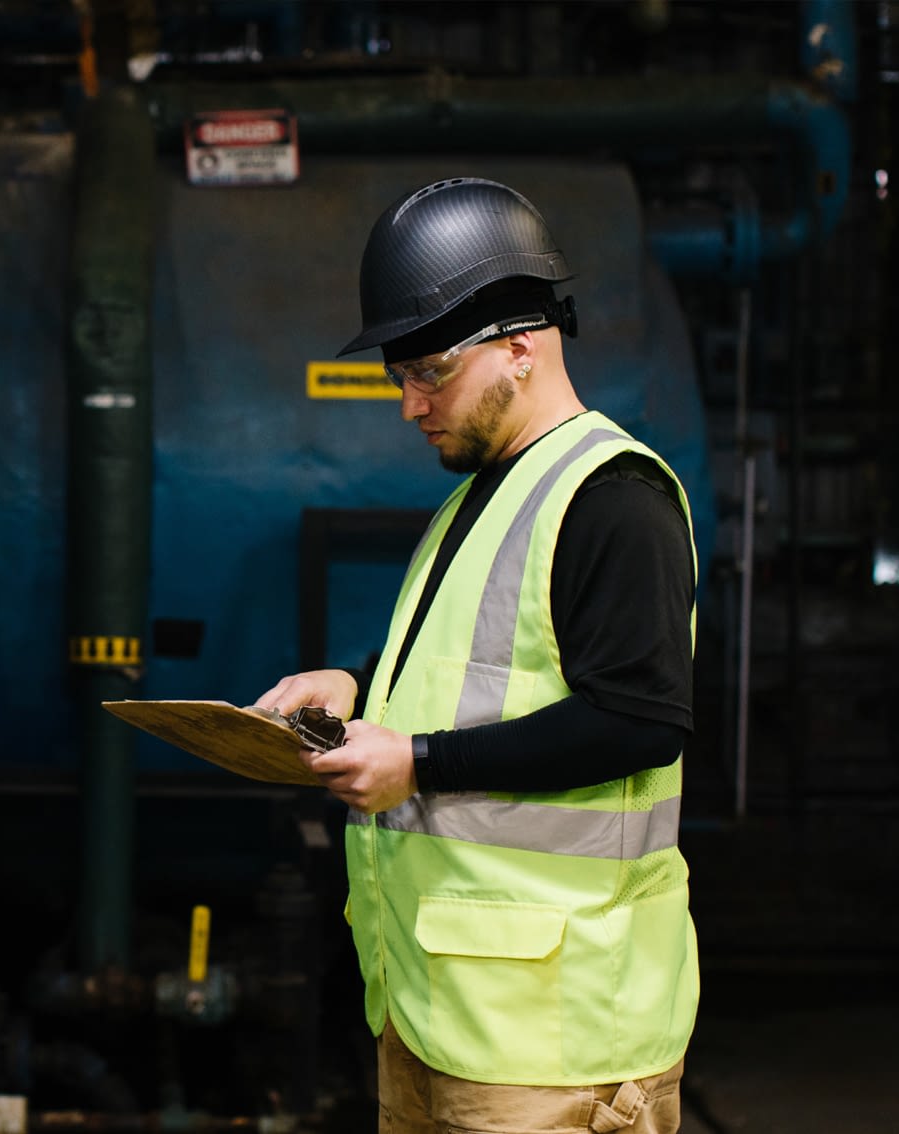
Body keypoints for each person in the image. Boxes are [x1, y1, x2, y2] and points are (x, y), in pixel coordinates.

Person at [256, 178, 697, 1134]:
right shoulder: (482, 494)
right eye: (399, 377)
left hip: (559, 1043)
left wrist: (416, 762)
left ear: (521, 346)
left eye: (429, 373)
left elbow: (641, 719)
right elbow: (471, 667)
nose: (411, 405)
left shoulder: (615, 497)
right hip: (444, 1017)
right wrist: (357, 682)